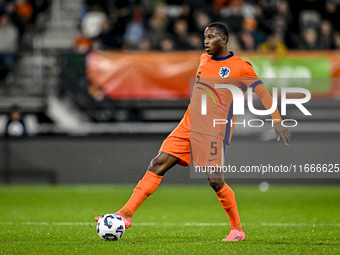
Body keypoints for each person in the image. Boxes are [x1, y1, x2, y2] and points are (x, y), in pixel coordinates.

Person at [95, 22, 291, 242]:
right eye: (204, 37)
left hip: (214, 130)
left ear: (224, 40)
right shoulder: (203, 59)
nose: (206, 41)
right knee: (157, 163)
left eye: (211, 37)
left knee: (215, 180)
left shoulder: (241, 66)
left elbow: (263, 94)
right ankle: (125, 214)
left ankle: (237, 230)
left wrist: (277, 121)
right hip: (188, 125)